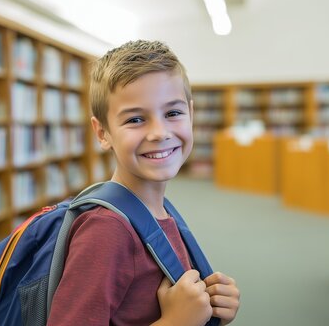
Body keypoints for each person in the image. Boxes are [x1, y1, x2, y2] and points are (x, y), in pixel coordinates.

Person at [47, 40, 240, 325]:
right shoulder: (107, 231)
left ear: (191, 113)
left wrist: (211, 306)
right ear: (102, 132)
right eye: (136, 119)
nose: (159, 133)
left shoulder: (159, 210)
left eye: (173, 113)